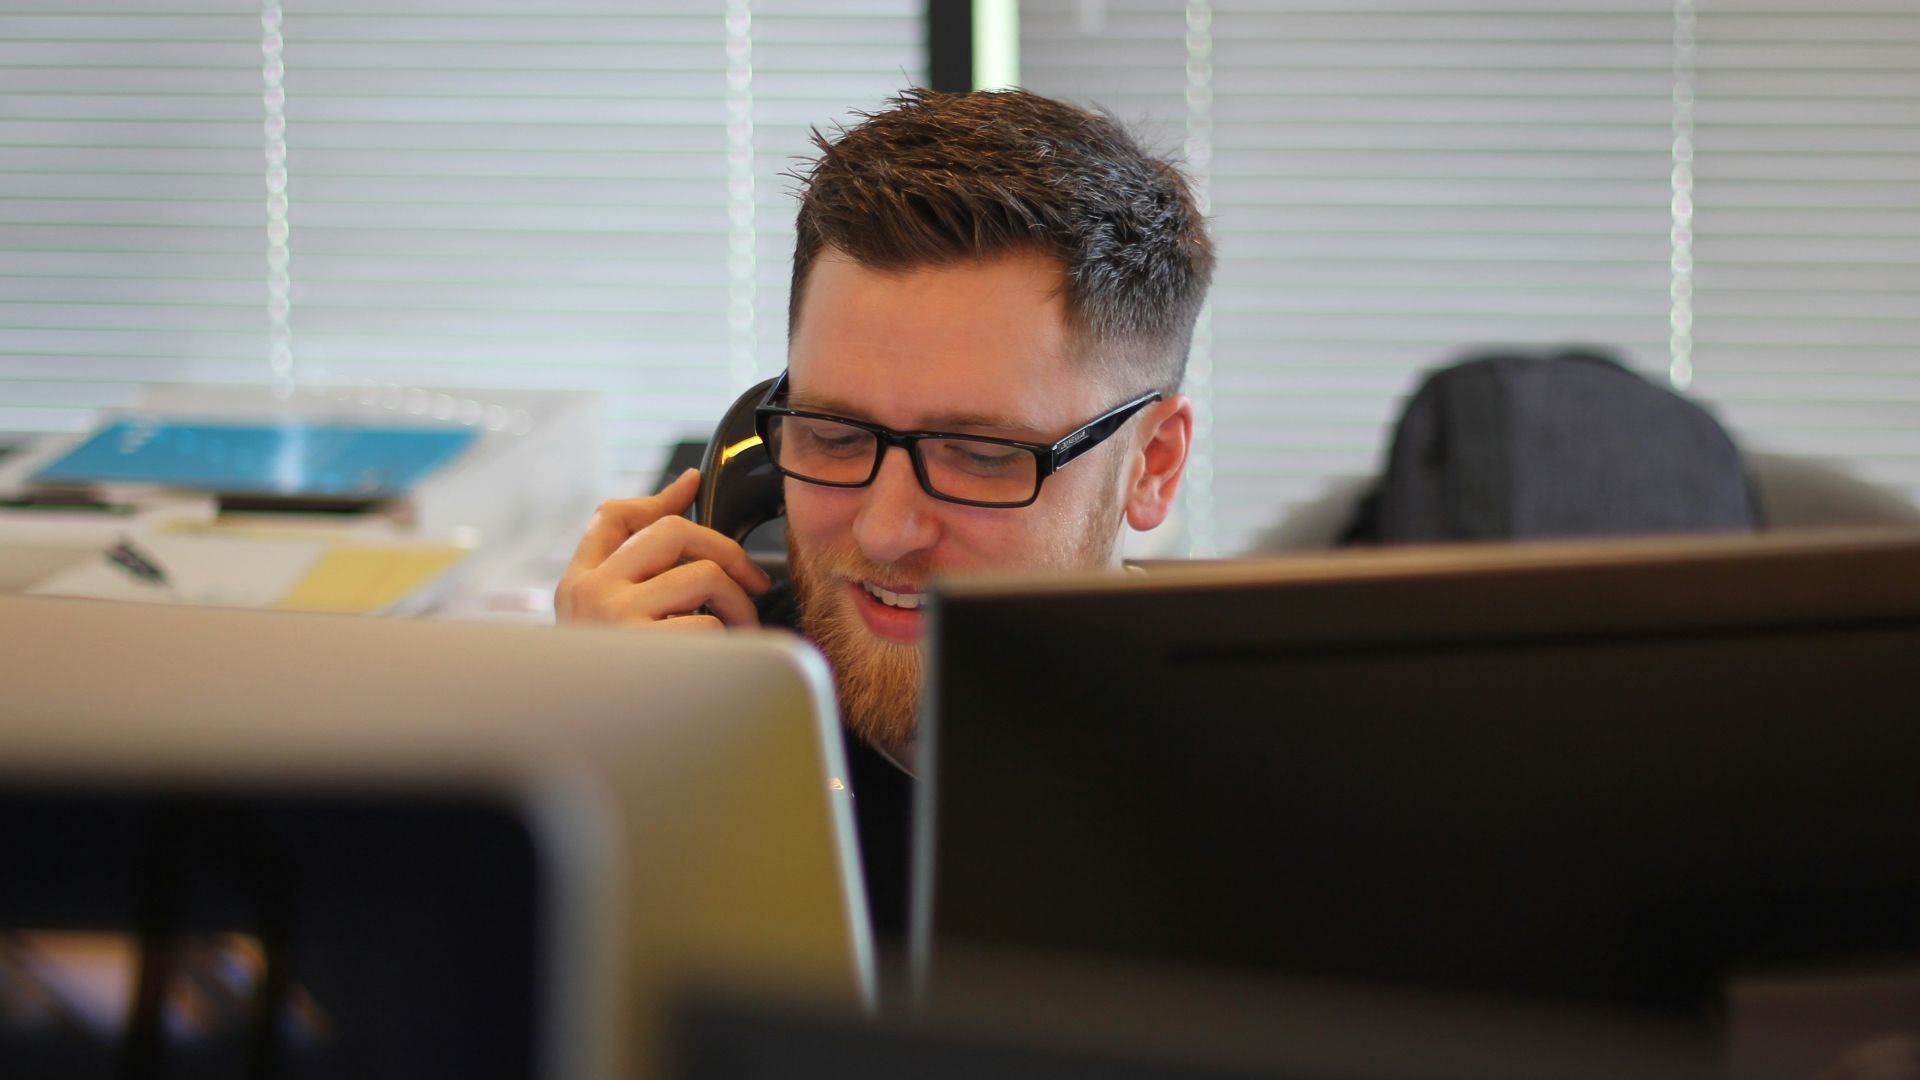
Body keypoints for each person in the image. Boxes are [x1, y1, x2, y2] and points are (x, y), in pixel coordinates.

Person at [555, 87, 1214, 939]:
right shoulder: (679, 711)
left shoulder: (1269, 802)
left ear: (1152, 465)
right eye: (832, 435)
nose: (883, 531)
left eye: (980, 455)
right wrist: (582, 758)